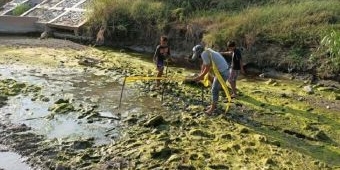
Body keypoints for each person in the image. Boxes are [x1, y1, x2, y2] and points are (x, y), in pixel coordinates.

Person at [191, 44, 229, 114]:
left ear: (198, 52)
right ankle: (214, 105)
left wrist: (201, 76)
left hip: (222, 73)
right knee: (215, 89)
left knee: (214, 89)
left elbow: (207, 67)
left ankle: (212, 109)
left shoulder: (204, 54)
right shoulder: (207, 51)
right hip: (224, 71)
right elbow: (204, 64)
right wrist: (201, 74)